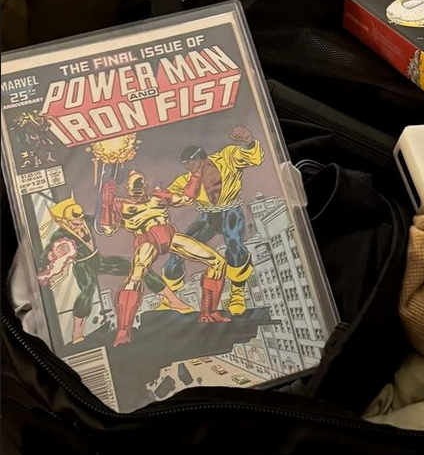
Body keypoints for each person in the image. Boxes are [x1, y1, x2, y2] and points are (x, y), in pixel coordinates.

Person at [99, 170, 231, 347]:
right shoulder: (121, 205)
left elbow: (186, 199)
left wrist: (196, 176)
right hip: (148, 241)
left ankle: (209, 312)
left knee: (218, 262)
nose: (138, 187)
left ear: (145, 184)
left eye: (140, 183)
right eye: (134, 185)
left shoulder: (158, 197)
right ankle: (123, 331)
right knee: (135, 277)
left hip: (171, 236)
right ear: (128, 188)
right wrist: (107, 204)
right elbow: (108, 229)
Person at [37, 196, 190, 345]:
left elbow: (104, 221)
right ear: (64, 221)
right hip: (83, 266)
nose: (80, 221)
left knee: (137, 267)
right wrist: (53, 254)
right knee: (87, 290)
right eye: (75, 220)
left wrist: (111, 212)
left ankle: (172, 300)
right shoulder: (60, 235)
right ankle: (77, 332)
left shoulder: (87, 221)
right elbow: (44, 257)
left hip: (99, 261)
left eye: (81, 216)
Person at [163, 127, 264, 316]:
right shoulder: (187, 180)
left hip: (230, 211)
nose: (188, 168)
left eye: (191, 163)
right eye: (185, 165)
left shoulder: (227, 157)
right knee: (178, 248)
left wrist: (249, 143)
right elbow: (169, 195)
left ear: (200, 158)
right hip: (207, 217)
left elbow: (253, 158)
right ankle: (168, 296)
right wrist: (160, 198)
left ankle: (237, 295)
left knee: (234, 245)